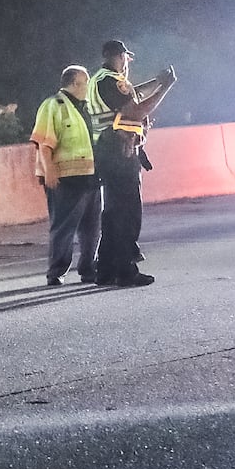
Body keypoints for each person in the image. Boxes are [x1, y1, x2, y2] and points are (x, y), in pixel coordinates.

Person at [86, 39, 177, 287]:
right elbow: (137, 110)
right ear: (119, 56)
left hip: (108, 150)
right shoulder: (110, 80)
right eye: (127, 57)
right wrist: (165, 88)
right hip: (119, 151)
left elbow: (132, 92)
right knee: (127, 213)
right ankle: (126, 270)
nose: (128, 62)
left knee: (113, 213)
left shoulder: (99, 80)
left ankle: (105, 270)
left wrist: (156, 82)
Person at [30, 65, 100, 286]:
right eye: (86, 82)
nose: (88, 87)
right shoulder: (54, 105)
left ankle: (88, 268)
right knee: (63, 227)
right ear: (75, 83)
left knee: (92, 227)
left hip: (90, 175)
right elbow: (43, 142)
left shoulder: (86, 108)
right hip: (65, 178)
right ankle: (56, 271)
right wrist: (49, 171)